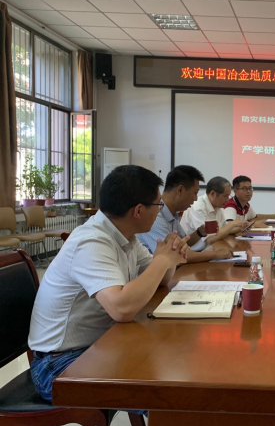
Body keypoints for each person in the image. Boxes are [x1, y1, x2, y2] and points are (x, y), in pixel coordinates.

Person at [28, 165, 189, 402]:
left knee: (173, 358)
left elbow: (161, 281)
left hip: (99, 345)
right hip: (59, 364)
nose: (160, 211)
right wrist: (162, 260)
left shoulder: (126, 236)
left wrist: (171, 255)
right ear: (138, 211)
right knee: (167, 389)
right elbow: (121, 309)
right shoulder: (91, 241)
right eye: (158, 205)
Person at [137, 166, 233, 262]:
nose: (196, 199)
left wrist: (200, 232)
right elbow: (173, 255)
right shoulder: (155, 216)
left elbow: (184, 243)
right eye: (195, 193)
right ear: (180, 190)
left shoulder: (172, 214)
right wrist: (215, 254)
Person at [180, 176, 247, 243]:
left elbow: (225, 229)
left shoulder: (217, 206)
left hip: (212, 246)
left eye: (229, 195)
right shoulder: (198, 208)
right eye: (225, 196)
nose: (228, 199)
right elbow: (209, 239)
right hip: (197, 248)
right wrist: (232, 224)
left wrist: (241, 227)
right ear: (212, 194)